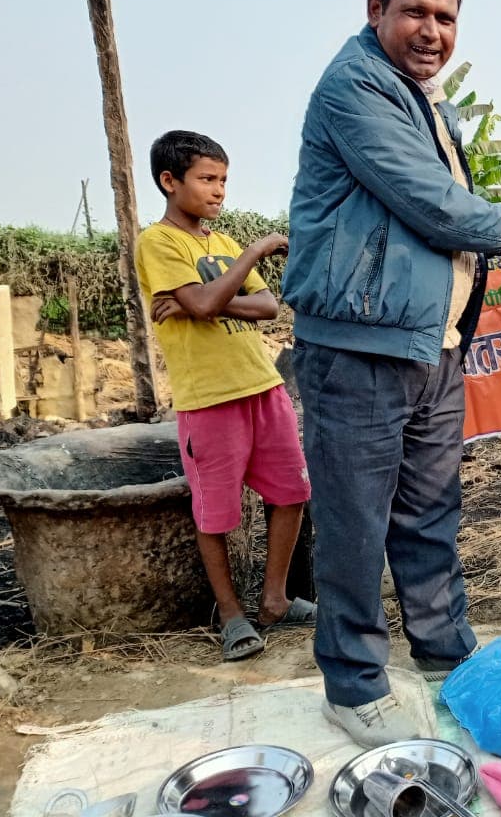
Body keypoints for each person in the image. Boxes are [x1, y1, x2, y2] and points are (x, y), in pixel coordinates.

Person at [282, 0, 501, 747]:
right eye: (415, 11)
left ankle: (444, 653)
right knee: (355, 523)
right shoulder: (356, 87)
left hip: (430, 345)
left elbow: (442, 211)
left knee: (429, 511)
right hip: (360, 349)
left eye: (446, 17)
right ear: (375, 8)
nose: (431, 30)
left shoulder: (419, 97)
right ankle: (353, 684)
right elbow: (432, 201)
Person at [134, 129, 314, 663]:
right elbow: (208, 302)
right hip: (209, 398)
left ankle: (275, 600)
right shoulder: (159, 243)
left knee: (292, 492)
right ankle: (233, 615)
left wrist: (205, 301)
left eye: (224, 180)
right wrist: (254, 254)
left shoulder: (222, 244)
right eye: (207, 179)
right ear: (170, 181)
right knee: (216, 513)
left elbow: (267, 307)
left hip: (263, 386)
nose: (219, 191)